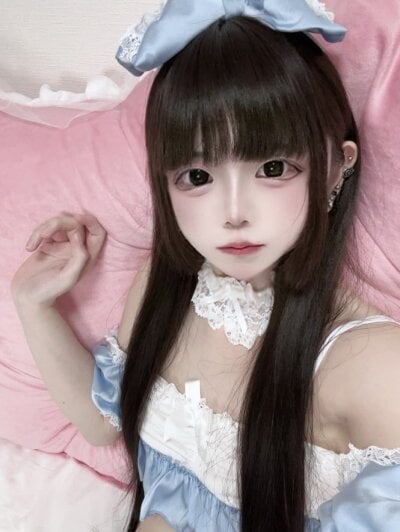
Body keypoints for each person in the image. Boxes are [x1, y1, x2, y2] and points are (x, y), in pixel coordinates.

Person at [11, 1, 400, 530]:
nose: (233, 213)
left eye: (272, 167)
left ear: (336, 166)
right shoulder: (163, 288)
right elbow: (104, 424)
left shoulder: (368, 364)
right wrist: (34, 304)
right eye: (197, 177)